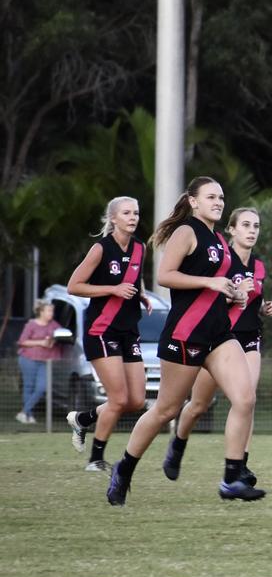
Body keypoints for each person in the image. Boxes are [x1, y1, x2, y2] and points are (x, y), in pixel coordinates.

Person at [105, 176, 264, 506]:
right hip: (185, 334)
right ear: (193, 201)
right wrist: (211, 282)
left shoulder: (220, 239)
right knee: (166, 410)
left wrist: (233, 293)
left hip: (219, 333)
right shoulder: (186, 232)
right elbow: (165, 276)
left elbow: (219, 286)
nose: (218, 202)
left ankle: (231, 479)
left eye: (221, 197)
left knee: (245, 398)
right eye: (210, 197)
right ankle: (124, 468)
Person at [160, 207, 272, 484]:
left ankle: (240, 467)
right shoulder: (220, 259)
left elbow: (254, 300)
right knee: (199, 405)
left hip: (247, 338)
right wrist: (234, 295)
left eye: (256, 226)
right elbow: (206, 299)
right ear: (232, 230)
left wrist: (264, 307)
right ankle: (178, 443)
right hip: (216, 338)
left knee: (246, 399)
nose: (252, 231)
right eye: (246, 225)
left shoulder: (258, 265)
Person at [64, 196, 152, 471]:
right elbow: (74, 286)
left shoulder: (140, 248)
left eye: (136, 213)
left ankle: (84, 419)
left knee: (137, 400)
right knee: (118, 399)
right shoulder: (100, 249)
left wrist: (141, 296)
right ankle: (95, 460)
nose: (133, 217)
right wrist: (112, 290)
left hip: (129, 330)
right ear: (113, 218)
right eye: (126, 213)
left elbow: (134, 280)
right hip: (101, 330)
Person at [15, 300, 64, 424]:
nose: (51, 313)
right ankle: (29, 415)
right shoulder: (31, 324)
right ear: (41, 312)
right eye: (49, 311)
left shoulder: (54, 325)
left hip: (45, 361)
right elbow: (22, 341)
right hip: (28, 359)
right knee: (28, 386)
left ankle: (24, 412)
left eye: (52, 311)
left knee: (42, 387)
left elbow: (60, 335)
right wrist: (41, 342)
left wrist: (53, 341)